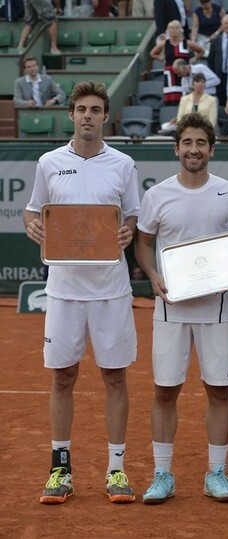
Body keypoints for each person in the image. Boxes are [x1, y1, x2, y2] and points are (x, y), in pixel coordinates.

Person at [24, 81, 140, 505]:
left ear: (105, 116)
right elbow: (34, 210)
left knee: (115, 376)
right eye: (81, 109)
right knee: (63, 376)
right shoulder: (48, 162)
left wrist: (128, 231)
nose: (88, 116)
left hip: (111, 289)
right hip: (64, 289)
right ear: (70, 115)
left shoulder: (123, 164)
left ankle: (116, 469)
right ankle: (60, 468)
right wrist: (31, 224)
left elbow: (132, 218)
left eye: (95, 109)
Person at [135, 112, 228, 505]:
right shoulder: (156, 195)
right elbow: (143, 243)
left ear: (211, 149)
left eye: (201, 143)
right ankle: (162, 473)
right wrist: (152, 275)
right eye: (187, 143)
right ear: (176, 148)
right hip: (170, 308)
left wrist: (223, 273)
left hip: (217, 310)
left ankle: (217, 473)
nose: (194, 149)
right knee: (165, 391)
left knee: (219, 391)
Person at [151, 20, 206, 105]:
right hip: (170, 73)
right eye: (172, 28)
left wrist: (193, 59)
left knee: (186, 97)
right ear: (169, 30)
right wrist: (162, 58)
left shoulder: (186, 42)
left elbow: (201, 51)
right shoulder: (165, 43)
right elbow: (152, 53)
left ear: (180, 29)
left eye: (177, 28)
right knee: (171, 99)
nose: (174, 30)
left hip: (184, 72)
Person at [207, 14, 228, 105]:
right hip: (220, 76)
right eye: (226, 23)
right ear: (222, 25)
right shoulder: (216, 40)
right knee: (221, 101)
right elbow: (211, 60)